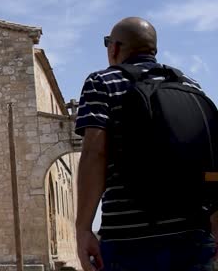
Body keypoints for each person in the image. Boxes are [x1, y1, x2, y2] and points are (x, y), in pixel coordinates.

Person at [74, 17, 216, 271]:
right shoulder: (191, 86)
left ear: (115, 48)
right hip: (194, 235)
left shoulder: (102, 83)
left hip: (131, 241)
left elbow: (95, 152)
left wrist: (83, 228)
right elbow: (211, 160)